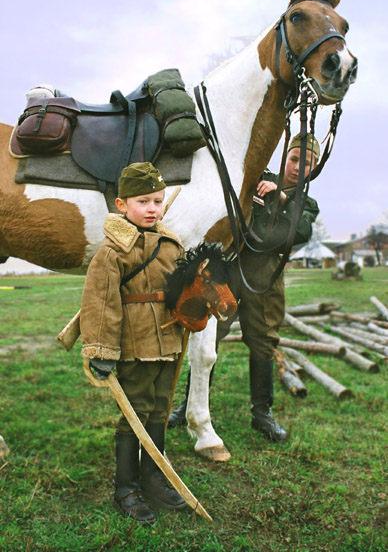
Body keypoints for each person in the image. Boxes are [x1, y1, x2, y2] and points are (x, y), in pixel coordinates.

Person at [168, 133, 320, 443]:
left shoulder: (307, 203)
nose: (297, 167)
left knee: (263, 342)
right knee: (209, 337)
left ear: (314, 168)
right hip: (231, 269)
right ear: (284, 158)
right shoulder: (259, 177)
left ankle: (262, 414)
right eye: (293, 159)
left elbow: (297, 232)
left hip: (266, 277)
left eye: (306, 163)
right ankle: (189, 405)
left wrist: (282, 199)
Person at [80, 162, 186, 525]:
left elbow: (181, 290)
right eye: (144, 201)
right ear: (122, 205)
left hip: (169, 342)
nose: (153, 208)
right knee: (135, 414)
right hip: (135, 346)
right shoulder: (113, 252)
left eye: (158, 200)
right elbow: (100, 303)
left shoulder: (171, 245)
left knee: (159, 410)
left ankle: (153, 478)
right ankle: (126, 487)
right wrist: (101, 349)